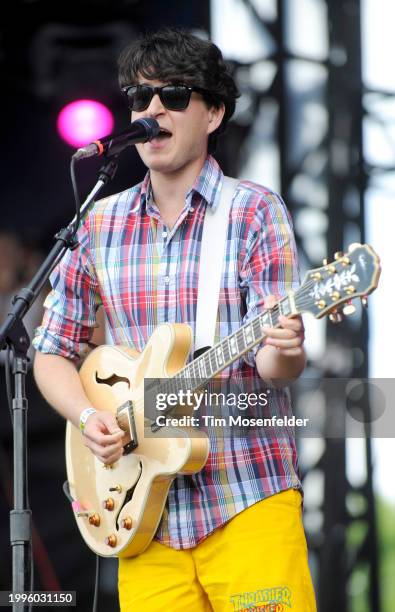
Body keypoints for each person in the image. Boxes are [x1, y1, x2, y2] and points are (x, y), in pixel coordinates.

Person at [33, 27, 317, 612]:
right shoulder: (98, 223)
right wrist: (89, 417)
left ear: (213, 113)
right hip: (142, 515)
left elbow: (274, 369)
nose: (153, 110)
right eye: (140, 98)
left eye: (175, 96)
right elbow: (51, 351)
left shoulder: (252, 210)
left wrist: (284, 347)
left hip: (246, 495)